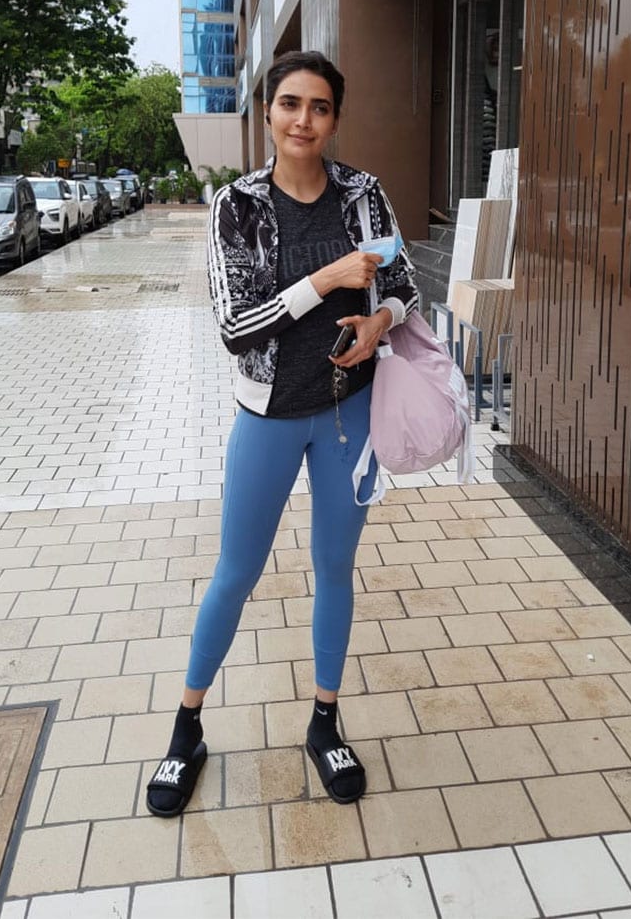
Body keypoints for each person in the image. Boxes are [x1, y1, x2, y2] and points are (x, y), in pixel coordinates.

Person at [146, 49, 418, 817]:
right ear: (267, 113)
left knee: (335, 567)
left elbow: (404, 284)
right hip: (267, 417)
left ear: (335, 117)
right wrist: (325, 281)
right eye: (291, 103)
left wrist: (379, 319)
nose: (305, 119)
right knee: (235, 571)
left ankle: (325, 720)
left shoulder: (364, 195)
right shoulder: (236, 205)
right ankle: (186, 728)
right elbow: (235, 327)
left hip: (347, 412)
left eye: (321, 106)